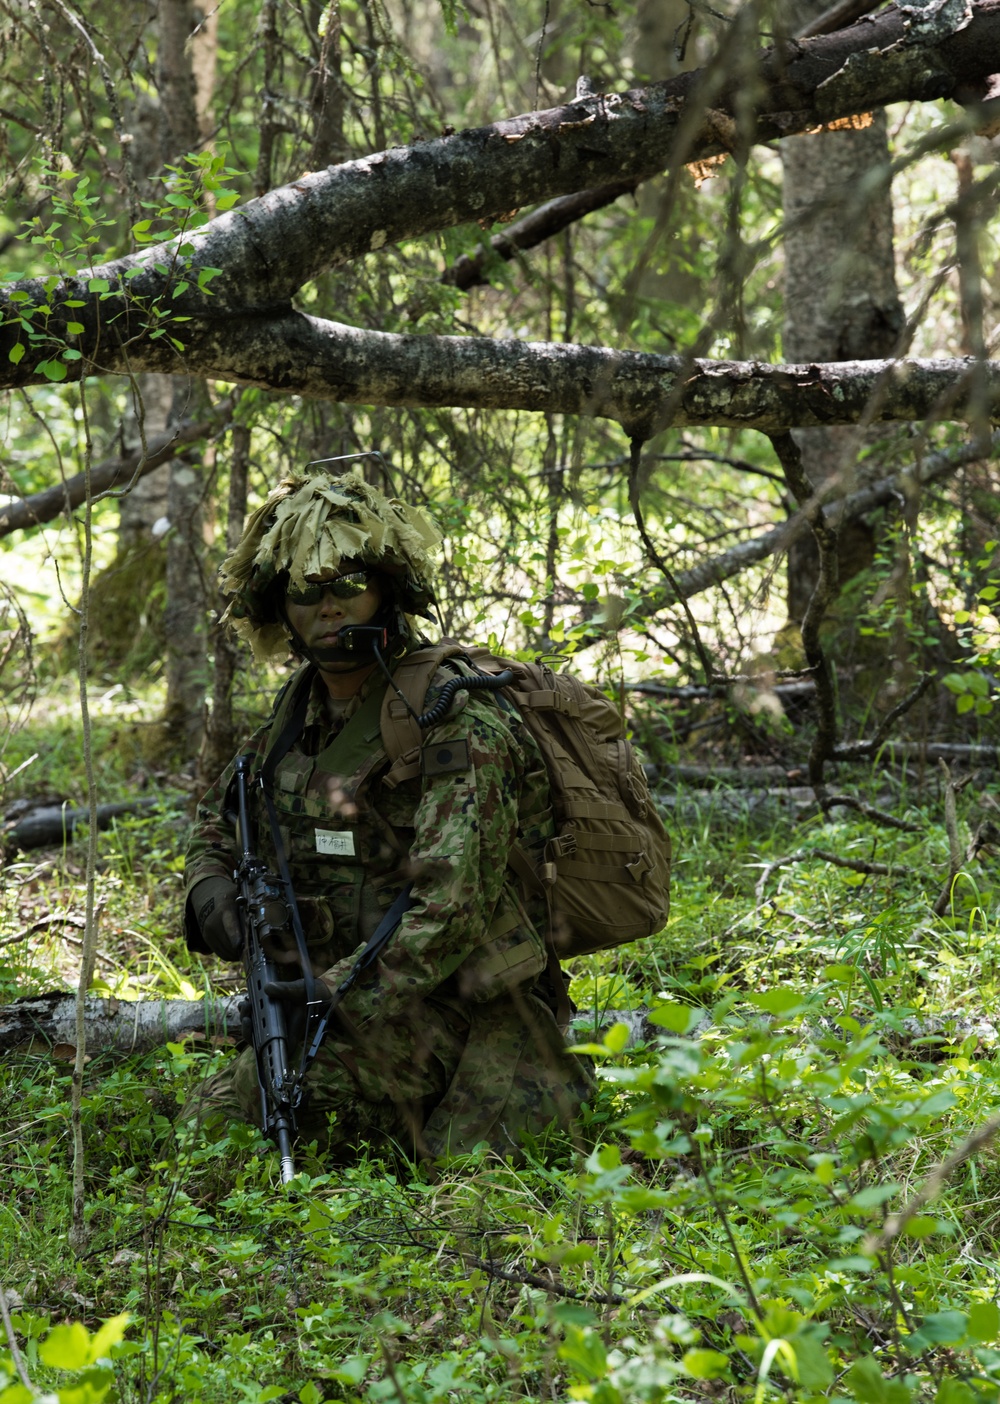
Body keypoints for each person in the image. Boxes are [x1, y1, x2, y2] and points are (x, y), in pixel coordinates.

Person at [183, 469, 592, 1164]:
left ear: (387, 587)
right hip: (343, 1009)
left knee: (272, 1121)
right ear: (281, 608)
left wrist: (332, 996)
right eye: (308, 591)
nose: (331, 607)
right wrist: (212, 894)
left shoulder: (451, 713)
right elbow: (222, 821)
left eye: (349, 582)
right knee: (212, 1121)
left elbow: (451, 905)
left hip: (469, 1019)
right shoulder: (297, 712)